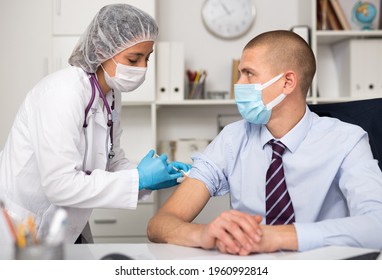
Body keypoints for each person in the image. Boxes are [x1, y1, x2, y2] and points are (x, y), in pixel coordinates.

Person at [147, 30, 382, 255]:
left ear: (288, 82)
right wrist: (204, 233)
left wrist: (275, 237)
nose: (238, 85)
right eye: (240, 73)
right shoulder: (232, 138)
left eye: (249, 73)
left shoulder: (347, 140)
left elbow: (377, 225)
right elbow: (160, 223)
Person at [0, 4, 190, 244]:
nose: (143, 68)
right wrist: (139, 179)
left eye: (147, 58)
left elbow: (112, 160)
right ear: (102, 50)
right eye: (133, 58)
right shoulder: (62, 92)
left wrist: (152, 178)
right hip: (23, 227)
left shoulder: (110, 93)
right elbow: (59, 185)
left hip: (64, 225)